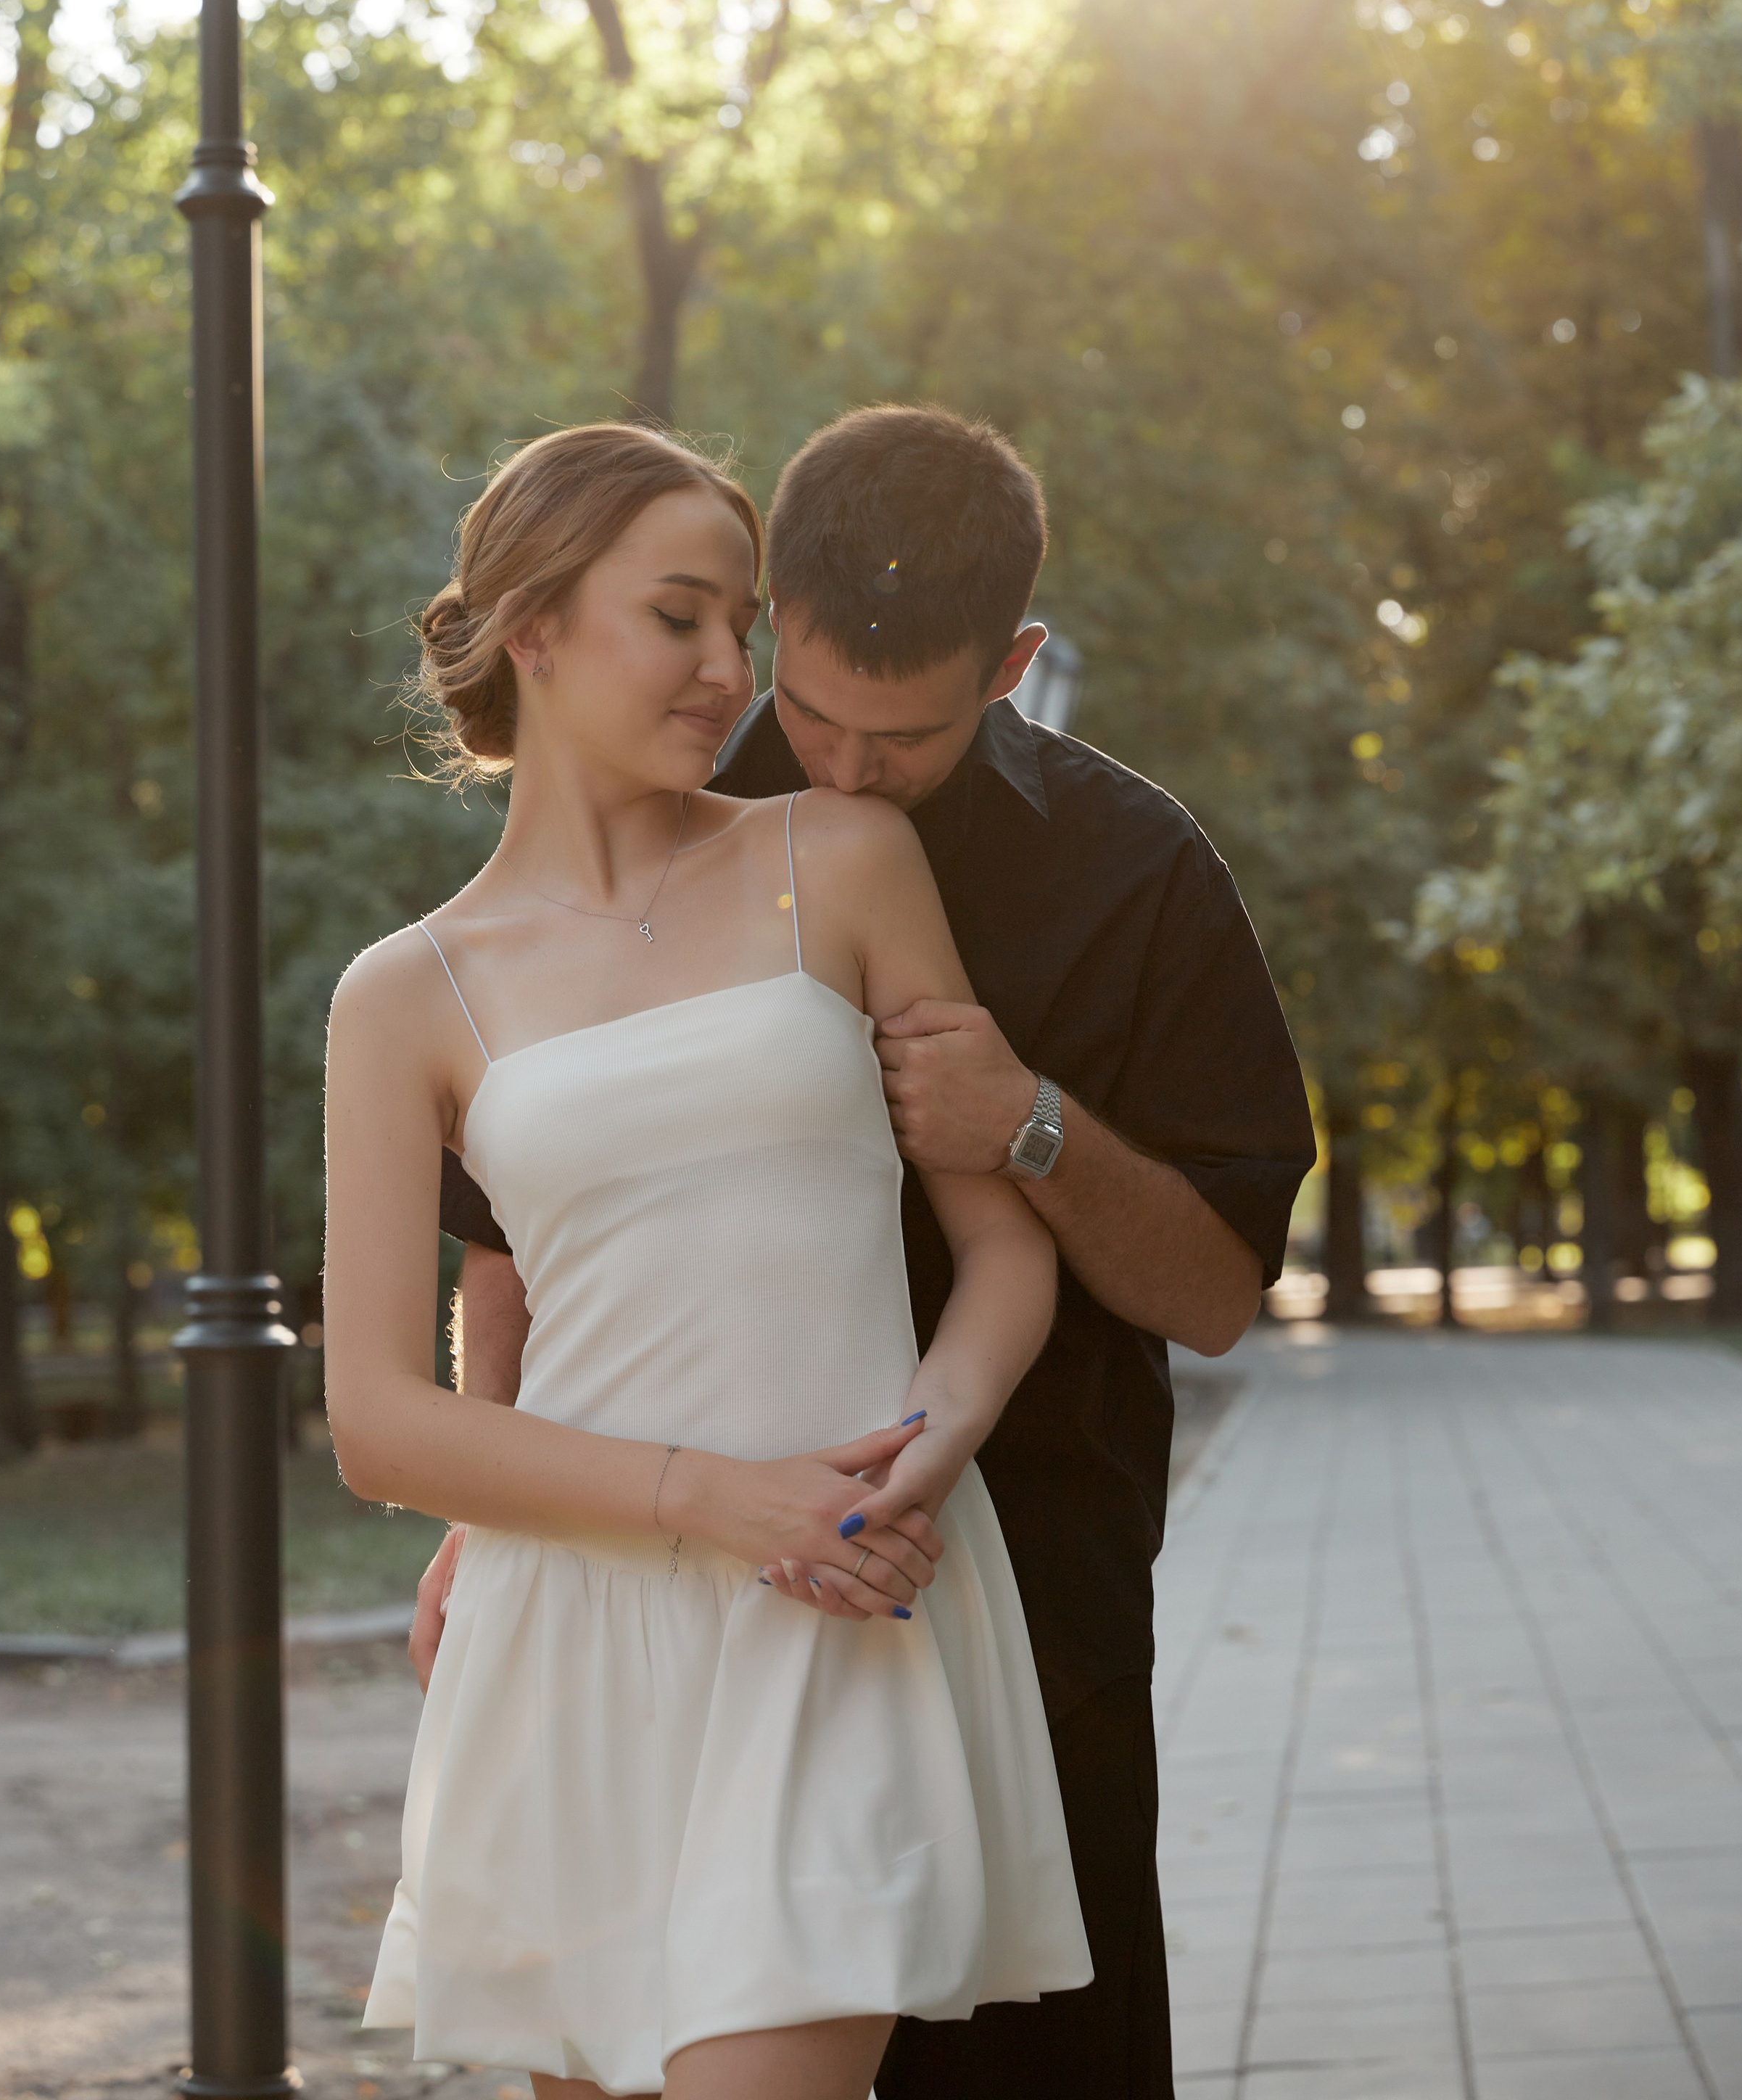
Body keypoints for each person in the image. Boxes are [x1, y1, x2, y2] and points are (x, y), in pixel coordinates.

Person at [429, 404, 1318, 2100]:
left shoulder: (1136, 870)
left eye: (900, 738)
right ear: (770, 620)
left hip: (1031, 1589)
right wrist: (491, 1517)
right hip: (666, 1592)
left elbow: (1212, 1296)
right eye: (814, 708)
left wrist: (1028, 1124)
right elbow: (506, 1241)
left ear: (1013, 666)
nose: (840, 770)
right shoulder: (649, 799)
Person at [327, 420, 1091, 2100]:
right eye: (677, 618)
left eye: (736, 625)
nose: (727, 671)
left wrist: (922, 1457)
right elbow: (377, 1423)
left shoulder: (841, 859)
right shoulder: (402, 995)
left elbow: (999, 1250)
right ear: (533, 626)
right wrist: (707, 1501)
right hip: (566, 1633)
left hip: (833, 1602)